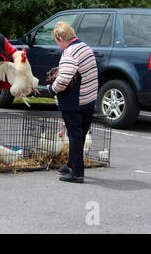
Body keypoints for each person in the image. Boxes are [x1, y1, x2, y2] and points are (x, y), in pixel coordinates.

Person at [47, 21, 98, 184]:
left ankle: (77, 173)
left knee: (75, 135)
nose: (58, 45)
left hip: (75, 101)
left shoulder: (70, 53)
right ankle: (71, 165)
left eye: (57, 41)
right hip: (89, 98)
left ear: (61, 38)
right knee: (80, 134)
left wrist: (51, 89)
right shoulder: (85, 47)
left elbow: (64, 79)